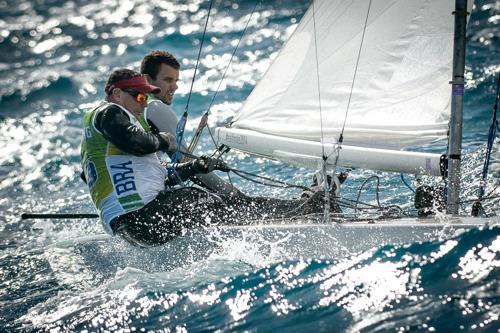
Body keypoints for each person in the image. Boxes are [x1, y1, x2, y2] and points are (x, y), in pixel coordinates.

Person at [81, 68, 326, 247]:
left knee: (215, 204)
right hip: (142, 218)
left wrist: (195, 166)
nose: (144, 104)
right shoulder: (108, 113)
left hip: (132, 226)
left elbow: (156, 176)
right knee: (223, 204)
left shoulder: (102, 140)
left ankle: (298, 208)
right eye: (139, 97)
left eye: (146, 97)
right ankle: (303, 210)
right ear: (115, 93)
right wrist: (165, 140)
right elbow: (139, 143)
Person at [140, 50, 241, 195]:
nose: (175, 87)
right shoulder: (155, 107)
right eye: (168, 80)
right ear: (147, 80)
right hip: (148, 198)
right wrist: (237, 197)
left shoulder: (134, 108)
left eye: (176, 81)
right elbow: (191, 168)